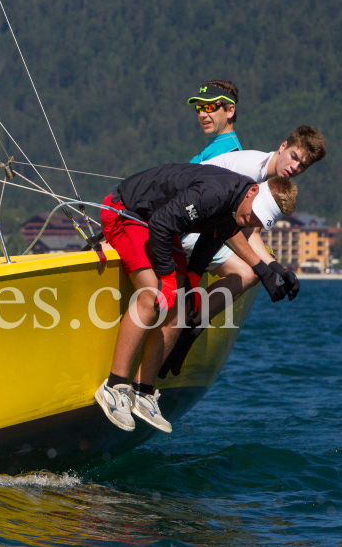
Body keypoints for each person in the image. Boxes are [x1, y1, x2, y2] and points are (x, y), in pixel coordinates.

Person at [94, 163, 299, 434]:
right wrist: (167, 279)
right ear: (252, 193)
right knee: (153, 293)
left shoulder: (237, 204)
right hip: (125, 213)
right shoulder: (214, 193)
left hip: (154, 223)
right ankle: (113, 387)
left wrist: (192, 277)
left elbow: (215, 234)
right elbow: (161, 224)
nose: (251, 222)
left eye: (259, 223)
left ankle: (142, 392)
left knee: (181, 303)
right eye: (253, 215)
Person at [157, 125, 327, 377]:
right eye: (294, 157)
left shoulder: (271, 180)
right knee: (248, 271)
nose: (295, 167)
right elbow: (227, 226)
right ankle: (188, 325)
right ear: (282, 146)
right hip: (181, 223)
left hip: (206, 228)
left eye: (303, 166)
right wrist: (264, 268)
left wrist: (278, 269)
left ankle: (191, 328)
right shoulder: (249, 170)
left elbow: (250, 233)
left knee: (247, 274)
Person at [188, 80, 242, 163]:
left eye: (210, 107)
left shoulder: (229, 156)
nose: (202, 114)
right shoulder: (217, 147)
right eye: (199, 108)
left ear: (230, 111)